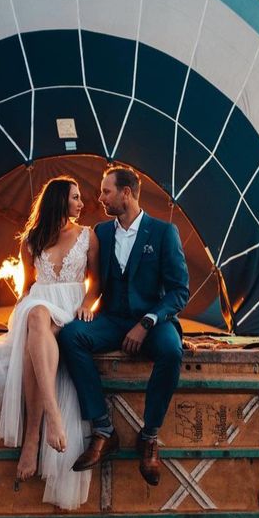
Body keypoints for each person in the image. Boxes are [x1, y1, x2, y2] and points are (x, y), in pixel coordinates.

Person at [59, 165, 190, 486]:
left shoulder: (163, 233)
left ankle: (149, 436)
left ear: (126, 193)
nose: (100, 197)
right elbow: (94, 279)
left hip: (152, 320)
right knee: (71, 335)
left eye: (106, 191)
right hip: (112, 318)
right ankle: (103, 429)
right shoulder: (101, 233)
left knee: (172, 352)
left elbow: (179, 290)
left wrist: (147, 322)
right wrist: (87, 304)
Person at [0, 176, 100, 509]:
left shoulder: (88, 237)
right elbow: (27, 287)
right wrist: (19, 314)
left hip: (71, 309)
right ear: (60, 201)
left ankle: (34, 433)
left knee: (38, 321)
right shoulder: (31, 241)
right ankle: (48, 420)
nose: (81, 204)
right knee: (34, 317)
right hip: (39, 307)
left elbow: (95, 283)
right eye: (75, 198)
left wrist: (88, 305)